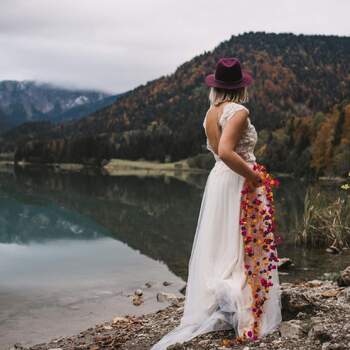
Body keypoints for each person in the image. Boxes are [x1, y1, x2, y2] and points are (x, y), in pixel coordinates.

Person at [151, 57, 282, 349]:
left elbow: (218, 153)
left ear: (217, 87)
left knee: (222, 243)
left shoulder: (211, 113)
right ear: (240, 87)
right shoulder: (239, 111)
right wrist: (254, 177)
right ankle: (241, 307)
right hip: (237, 180)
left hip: (220, 180)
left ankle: (218, 304)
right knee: (239, 245)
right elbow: (225, 151)